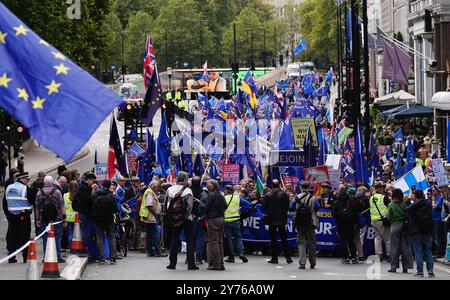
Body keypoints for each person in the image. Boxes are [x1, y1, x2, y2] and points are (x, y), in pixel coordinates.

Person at [165, 172, 198, 270]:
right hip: (187, 219)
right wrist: (184, 217)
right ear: (184, 180)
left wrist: (171, 216)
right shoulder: (187, 191)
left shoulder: (169, 189)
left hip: (174, 218)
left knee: (174, 240)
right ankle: (191, 263)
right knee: (190, 240)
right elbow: (189, 206)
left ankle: (172, 263)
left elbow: (166, 203)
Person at [35, 175, 66, 263]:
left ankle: (46, 257)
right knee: (57, 236)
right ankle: (58, 256)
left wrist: (37, 219)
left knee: (45, 237)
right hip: (57, 217)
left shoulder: (40, 192)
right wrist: (64, 218)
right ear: (52, 182)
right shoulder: (57, 191)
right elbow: (61, 206)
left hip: (44, 218)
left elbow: (37, 207)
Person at [291, 181, 320, 269]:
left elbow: (291, 208)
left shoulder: (296, 197)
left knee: (301, 242)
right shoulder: (313, 198)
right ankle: (312, 263)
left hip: (299, 222)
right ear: (308, 187)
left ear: (301, 187)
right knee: (311, 243)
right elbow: (318, 207)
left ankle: (302, 263)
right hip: (310, 222)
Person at [405, 190, 435, 277]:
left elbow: (406, 210)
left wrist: (408, 200)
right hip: (427, 230)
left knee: (418, 251)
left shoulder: (413, 206)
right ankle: (430, 271)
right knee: (428, 251)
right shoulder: (428, 203)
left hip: (415, 231)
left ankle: (420, 271)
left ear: (416, 196)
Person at [263, 179, 293, 265]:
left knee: (273, 239)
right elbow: (288, 207)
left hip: (272, 219)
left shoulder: (268, 195)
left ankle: (274, 258)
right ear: (279, 184)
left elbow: (264, 207)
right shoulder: (285, 194)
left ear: (272, 185)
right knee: (284, 238)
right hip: (282, 219)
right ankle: (288, 257)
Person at [5, 172, 33, 263]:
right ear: (22, 179)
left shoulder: (9, 187)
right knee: (24, 237)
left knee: (12, 237)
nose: (27, 181)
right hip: (23, 216)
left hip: (12, 216)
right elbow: (32, 200)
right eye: (26, 179)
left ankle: (11, 257)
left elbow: (5, 202)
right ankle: (25, 257)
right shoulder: (25, 188)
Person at [92, 180, 119, 265]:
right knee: (111, 238)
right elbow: (115, 209)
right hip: (109, 220)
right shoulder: (111, 196)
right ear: (109, 186)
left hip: (99, 220)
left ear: (102, 185)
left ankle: (102, 257)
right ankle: (112, 258)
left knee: (99, 238)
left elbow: (93, 207)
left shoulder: (96, 194)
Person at [387, 188, 413, 273]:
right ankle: (406, 267)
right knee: (405, 247)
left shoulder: (391, 205)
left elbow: (389, 217)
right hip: (404, 226)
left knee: (394, 247)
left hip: (395, 226)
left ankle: (393, 267)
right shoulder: (404, 204)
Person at [223, 185, 251, 264]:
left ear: (226, 191)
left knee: (229, 239)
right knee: (238, 237)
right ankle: (241, 253)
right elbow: (248, 204)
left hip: (226, 220)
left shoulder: (223, 198)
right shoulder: (237, 197)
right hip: (236, 220)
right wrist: (240, 210)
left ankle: (231, 256)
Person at [72, 172, 97, 259]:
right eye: (93, 181)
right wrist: (93, 190)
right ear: (88, 180)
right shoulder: (83, 188)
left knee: (87, 230)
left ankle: (86, 246)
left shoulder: (85, 187)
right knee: (85, 231)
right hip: (85, 212)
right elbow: (88, 200)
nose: (94, 183)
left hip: (87, 212)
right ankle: (85, 247)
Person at [332, 187, 360, 264]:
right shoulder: (352, 201)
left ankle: (345, 257)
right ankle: (354, 257)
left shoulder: (336, 202)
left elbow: (333, 214)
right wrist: (355, 223)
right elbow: (355, 214)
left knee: (343, 240)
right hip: (350, 224)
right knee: (351, 240)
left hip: (340, 223)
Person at [204, 179, 227, 271]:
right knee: (220, 242)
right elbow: (225, 206)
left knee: (213, 242)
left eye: (208, 184)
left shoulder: (211, 195)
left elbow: (206, 207)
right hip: (221, 218)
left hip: (213, 219)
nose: (206, 185)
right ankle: (221, 263)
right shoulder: (220, 195)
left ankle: (217, 264)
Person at [140, 181, 167, 257]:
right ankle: (158, 251)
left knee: (150, 234)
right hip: (150, 216)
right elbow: (149, 205)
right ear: (154, 187)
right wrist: (155, 213)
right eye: (157, 187)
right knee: (155, 234)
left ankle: (150, 251)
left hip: (149, 216)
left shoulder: (150, 192)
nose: (158, 189)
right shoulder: (149, 193)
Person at [369, 182, 391, 261]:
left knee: (377, 238)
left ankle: (379, 255)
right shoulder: (383, 197)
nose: (383, 189)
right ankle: (389, 254)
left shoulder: (371, 197)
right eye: (382, 188)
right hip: (382, 220)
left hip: (374, 220)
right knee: (387, 239)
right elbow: (390, 206)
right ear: (379, 189)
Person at [431, 186, 445, 258]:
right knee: (436, 236)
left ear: (438, 191)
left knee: (438, 236)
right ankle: (439, 251)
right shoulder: (436, 198)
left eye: (434, 190)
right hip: (434, 219)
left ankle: (440, 252)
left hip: (438, 219)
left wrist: (433, 200)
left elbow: (435, 206)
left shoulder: (440, 198)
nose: (433, 192)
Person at [64, 181, 78, 250]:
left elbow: (63, 206)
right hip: (77, 217)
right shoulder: (78, 195)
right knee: (77, 233)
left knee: (69, 233)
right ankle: (77, 245)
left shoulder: (65, 195)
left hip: (68, 217)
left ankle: (70, 246)